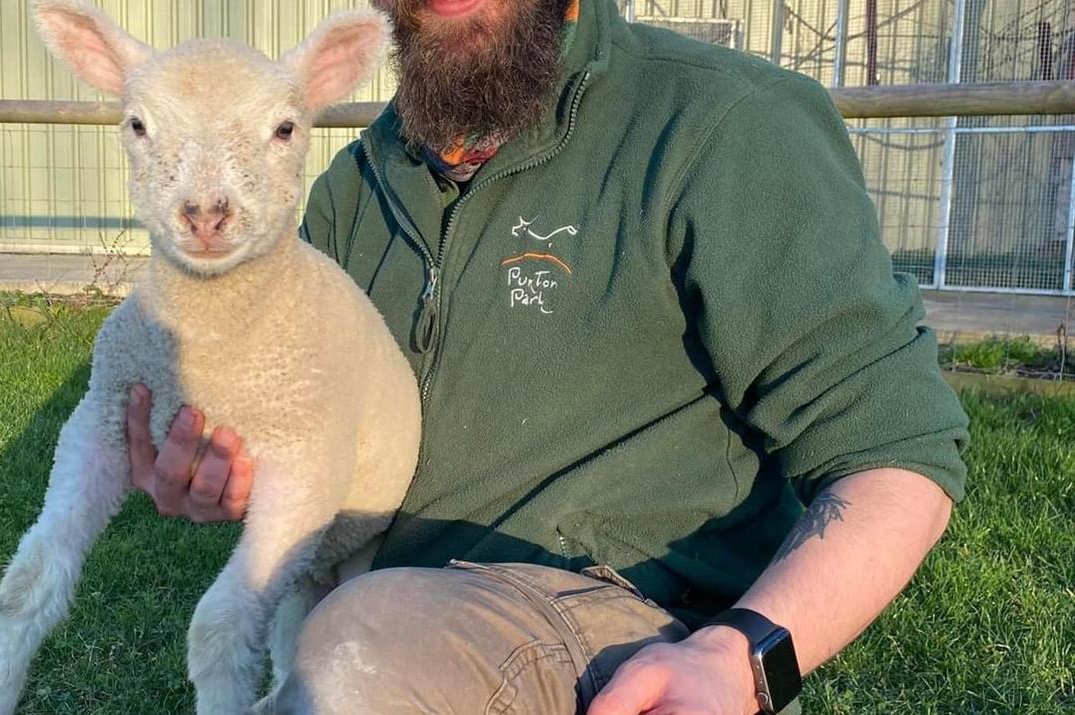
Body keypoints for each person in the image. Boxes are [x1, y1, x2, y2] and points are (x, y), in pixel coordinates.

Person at [125, 0, 969, 712]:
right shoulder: (358, 184)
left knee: (353, 647)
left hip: (615, 618)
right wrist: (230, 469)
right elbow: (304, 426)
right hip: (396, 594)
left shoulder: (719, 126)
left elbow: (899, 459)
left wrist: (741, 658)